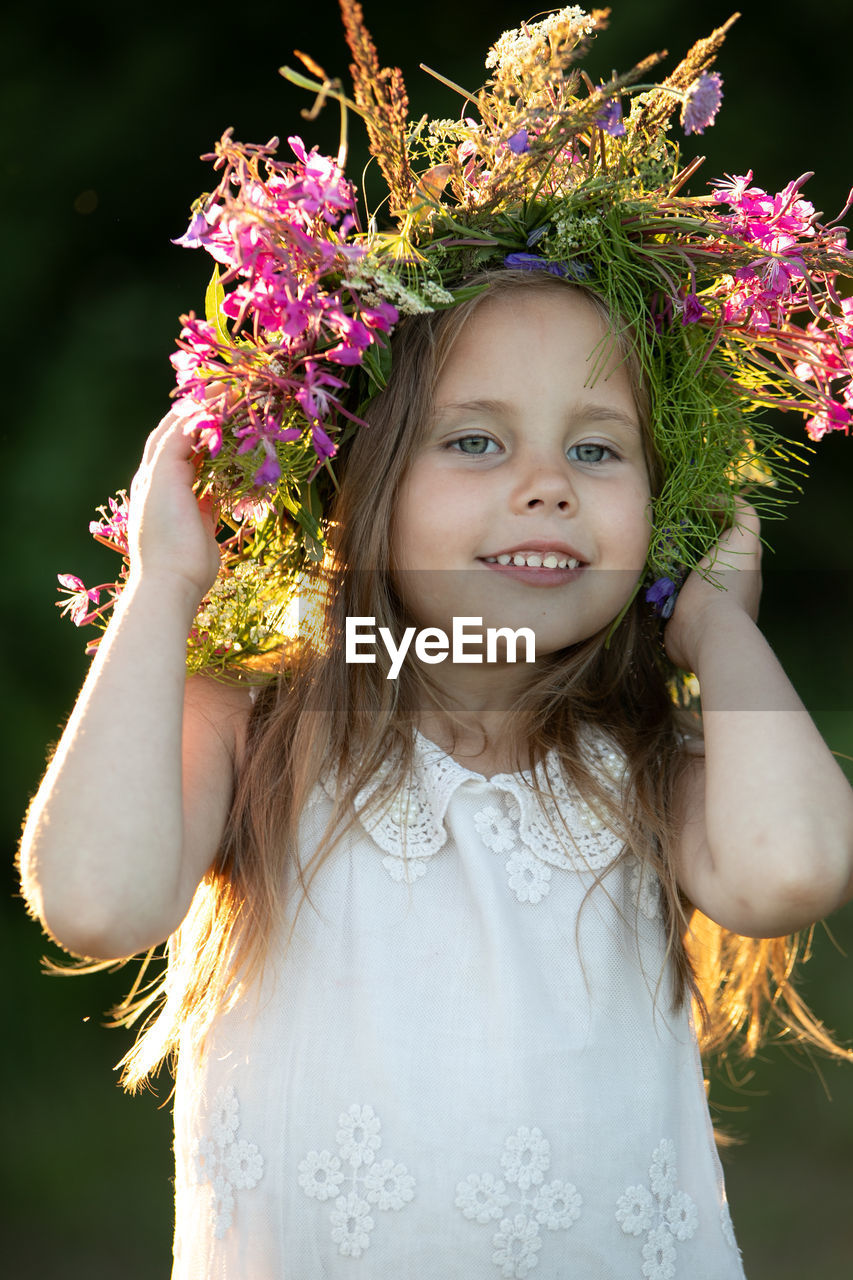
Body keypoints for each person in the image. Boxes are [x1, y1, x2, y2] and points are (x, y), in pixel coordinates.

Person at [17, 5, 853, 1277]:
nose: (545, 484)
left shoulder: (643, 758)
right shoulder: (259, 728)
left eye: (596, 448)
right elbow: (92, 898)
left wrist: (719, 629)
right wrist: (163, 589)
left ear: (663, 507)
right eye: (475, 439)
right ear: (361, 488)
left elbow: (795, 865)